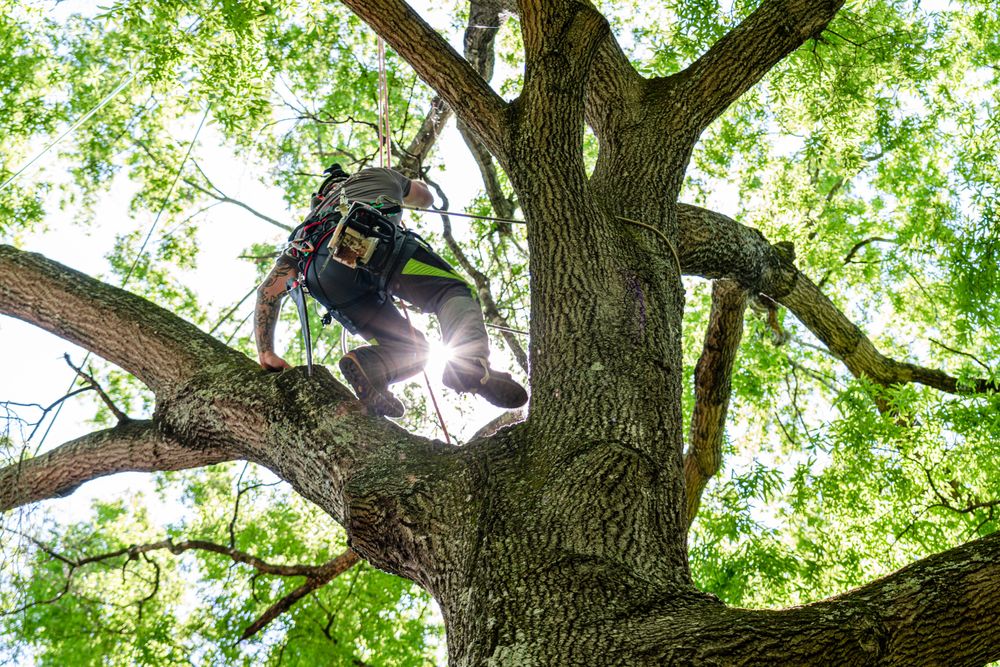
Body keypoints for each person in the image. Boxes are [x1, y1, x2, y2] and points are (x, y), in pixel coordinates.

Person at [254, 164, 528, 418]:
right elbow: (424, 198)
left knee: (414, 347)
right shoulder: (376, 175)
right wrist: (405, 185)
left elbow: (267, 292)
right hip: (370, 243)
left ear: (321, 195)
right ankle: (471, 365)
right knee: (450, 291)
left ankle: (370, 365)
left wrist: (266, 351)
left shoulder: (303, 233)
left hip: (329, 283)